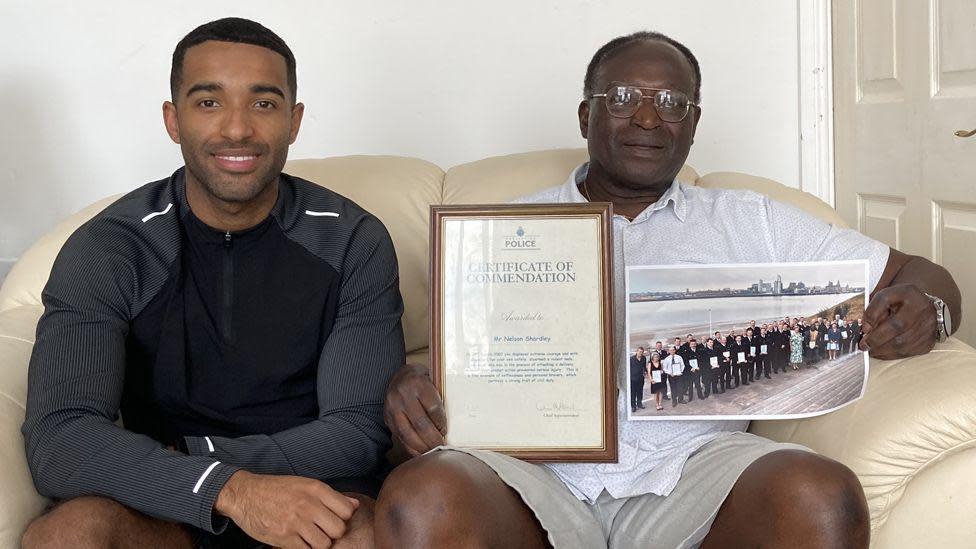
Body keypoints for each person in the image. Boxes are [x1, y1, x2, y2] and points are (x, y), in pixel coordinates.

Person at [378, 30, 961, 548]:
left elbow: (920, 272)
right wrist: (412, 384)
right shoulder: (499, 232)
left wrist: (929, 310)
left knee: (820, 494)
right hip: (530, 478)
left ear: (694, 123)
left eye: (672, 103)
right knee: (423, 495)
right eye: (624, 99)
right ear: (586, 117)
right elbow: (450, 365)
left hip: (694, 470)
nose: (649, 120)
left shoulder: (748, 220)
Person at [20, 18, 404, 549]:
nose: (238, 129)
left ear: (294, 122)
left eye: (264, 104)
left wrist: (201, 464)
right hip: (163, 505)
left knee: (366, 535)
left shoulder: (353, 240)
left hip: (313, 499)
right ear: (172, 120)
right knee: (67, 535)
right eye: (209, 103)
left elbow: (357, 433)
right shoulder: (110, 246)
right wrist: (225, 489)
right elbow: (60, 439)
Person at [629, 346, 648, 412]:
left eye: (642, 352)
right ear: (636, 351)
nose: (641, 353)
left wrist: (646, 372)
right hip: (633, 379)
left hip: (640, 378)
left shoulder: (644, 358)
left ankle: (639, 404)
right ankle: (633, 406)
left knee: (640, 392)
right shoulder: (631, 359)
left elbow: (644, 367)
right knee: (633, 393)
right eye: (639, 352)